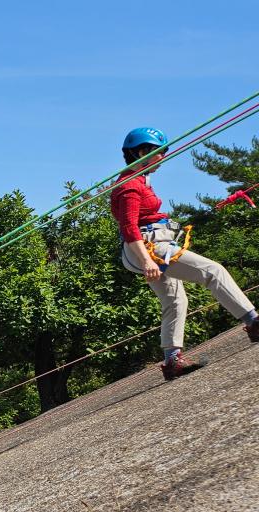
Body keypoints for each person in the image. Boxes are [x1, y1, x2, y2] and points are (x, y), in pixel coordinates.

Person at [111, 126, 259, 380]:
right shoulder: (129, 186)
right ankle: (253, 322)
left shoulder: (140, 180)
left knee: (175, 300)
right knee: (213, 271)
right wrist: (147, 261)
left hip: (152, 244)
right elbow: (129, 227)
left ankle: (172, 361)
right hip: (148, 247)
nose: (163, 157)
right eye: (158, 152)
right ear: (140, 152)